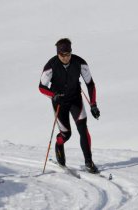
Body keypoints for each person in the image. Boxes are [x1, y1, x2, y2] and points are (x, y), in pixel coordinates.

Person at [39, 38, 101, 173]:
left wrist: (93, 104)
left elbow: (90, 84)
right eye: (62, 55)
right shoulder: (51, 65)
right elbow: (41, 87)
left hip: (75, 99)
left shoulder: (80, 63)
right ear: (58, 54)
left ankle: (89, 162)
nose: (66, 58)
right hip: (59, 103)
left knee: (83, 129)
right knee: (66, 134)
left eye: (68, 54)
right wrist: (53, 95)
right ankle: (59, 144)